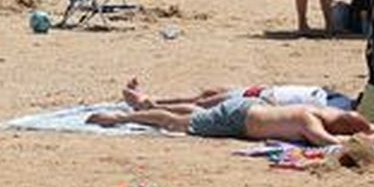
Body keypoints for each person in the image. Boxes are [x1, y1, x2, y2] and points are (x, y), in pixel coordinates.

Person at [88, 99, 374, 147]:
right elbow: (331, 144)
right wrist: (365, 140)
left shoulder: (323, 111)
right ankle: (121, 117)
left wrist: (372, 134)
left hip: (248, 111)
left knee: (197, 111)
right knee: (178, 123)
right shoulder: (309, 120)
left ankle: (151, 104)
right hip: (240, 118)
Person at [120, 77, 344, 111]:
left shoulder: (331, 109)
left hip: (262, 100)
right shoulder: (334, 100)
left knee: (203, 105)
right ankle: (153, 99)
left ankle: (150, 105)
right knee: (208, 94)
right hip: (264, 92)